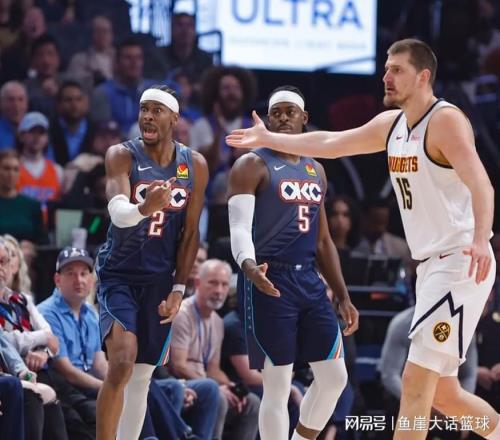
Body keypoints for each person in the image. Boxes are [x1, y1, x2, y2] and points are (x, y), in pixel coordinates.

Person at [226, 39, 499, 440]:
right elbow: (331, 144)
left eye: (397, 70)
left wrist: (478, 238)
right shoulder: (393, 125)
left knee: (414, 381)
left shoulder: (445, 120)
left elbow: (482, 184)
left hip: (460, 260)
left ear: (423, 77)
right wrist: (269, 139)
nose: (386, 76)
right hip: (431, 267)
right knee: (445, 393)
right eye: (386, 68)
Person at [227, 85, 359, 440]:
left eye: (290, 112)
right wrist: (248, 265)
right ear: (268, 120)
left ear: (304, 119)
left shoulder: (317, 169)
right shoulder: (251, 164)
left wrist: (343, 295)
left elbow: (324, 240)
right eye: (276, 113)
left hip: (309, 280)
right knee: (278, 383)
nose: (283, 118)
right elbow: (238, 227)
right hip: (268, 277)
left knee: (335, 378)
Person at [95, 84, 208, 440]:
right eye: (144, 109)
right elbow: (117, 213)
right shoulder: (121, 155)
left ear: (174, 118)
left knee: (142, 375)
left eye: (156, 110)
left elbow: (191, 233)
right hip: (120, 274)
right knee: (122, 362)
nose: (147, 116)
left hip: (160, 279)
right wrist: (145, 208)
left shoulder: (194, 165)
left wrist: (179, 288)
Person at [169, 259, 260, 440]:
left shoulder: (217, 322)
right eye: (213, 283)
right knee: (217, 396)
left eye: (224, 285)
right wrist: (218, 388)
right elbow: (178, 365)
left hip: (206, 382)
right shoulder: (182, 314)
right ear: (198, 283)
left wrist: (229, 386)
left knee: (251, 402)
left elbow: (213, 369)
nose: (219, 290)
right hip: (183, 384)